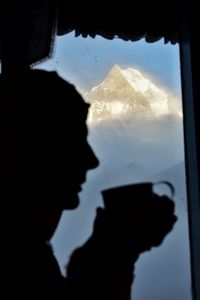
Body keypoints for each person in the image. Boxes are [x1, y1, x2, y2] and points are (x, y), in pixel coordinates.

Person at [0, 69, 177, 300]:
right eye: (72, 143)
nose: (92, 160)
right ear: (25, 152)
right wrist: (115, 251)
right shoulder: (19, 266)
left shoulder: (25, 257)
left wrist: (112, 248)